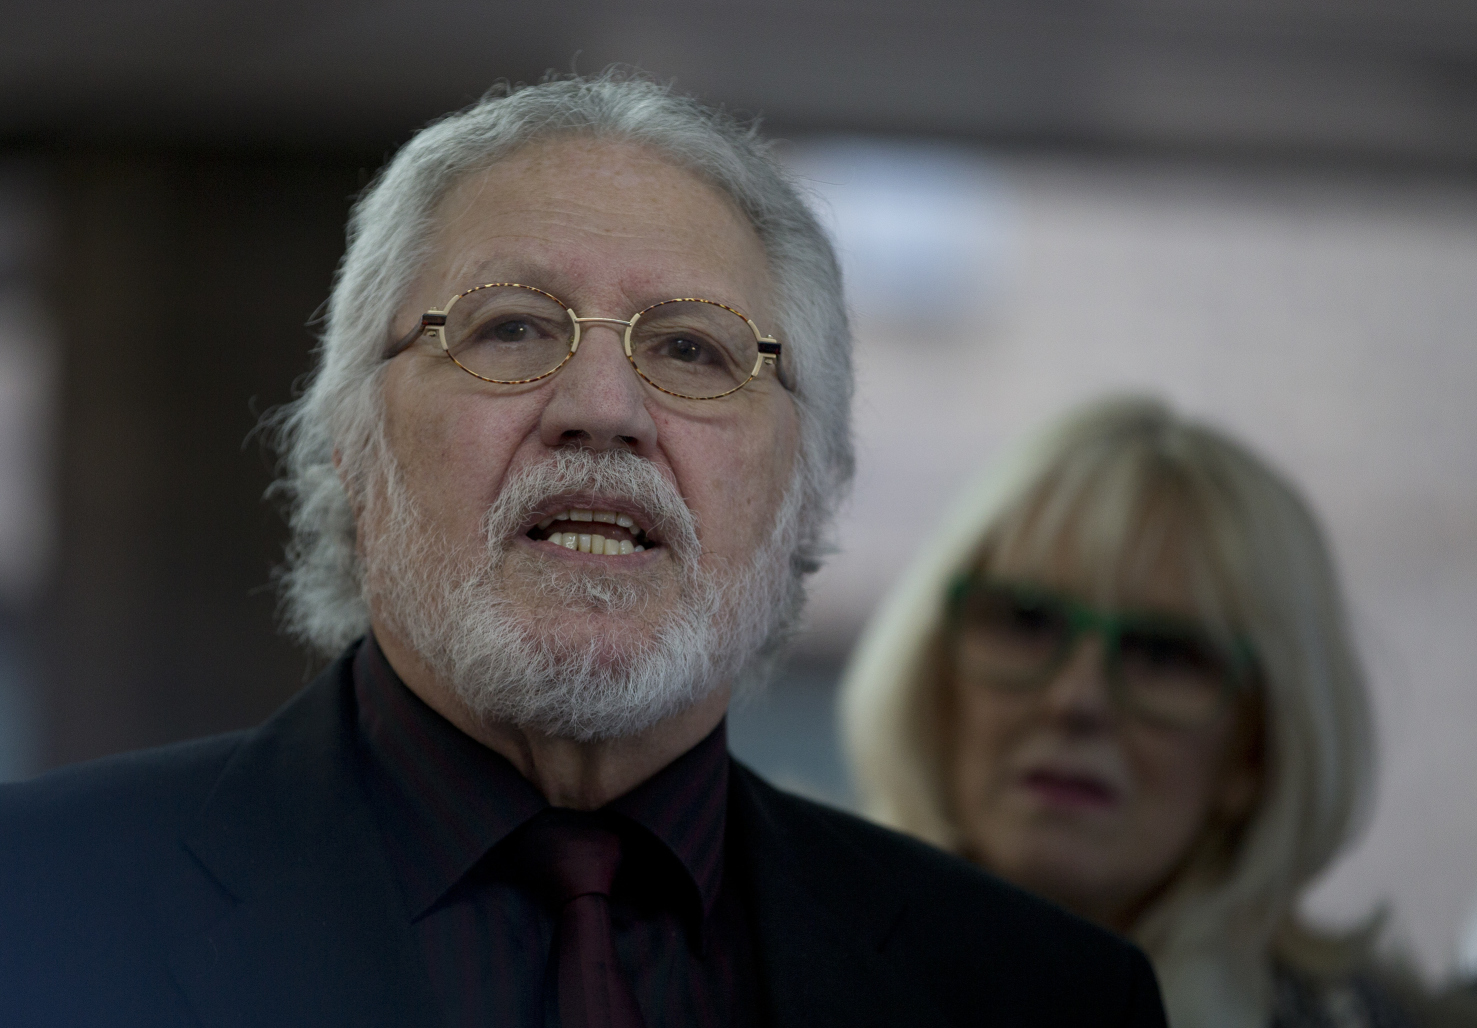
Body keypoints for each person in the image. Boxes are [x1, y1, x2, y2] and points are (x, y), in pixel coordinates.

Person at [0, 76, 1166, 1028]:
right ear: (349, 440)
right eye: (509, 327)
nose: (601, 405)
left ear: (807, 489)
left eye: (696, 351)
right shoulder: (33, 905)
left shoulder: (1040, 994)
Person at [840, 396, 1459, 1028]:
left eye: (1164, 655)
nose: (1075, 700)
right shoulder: (769, 961)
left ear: (1255, 751)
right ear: (935, 679)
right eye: (1027, 622)